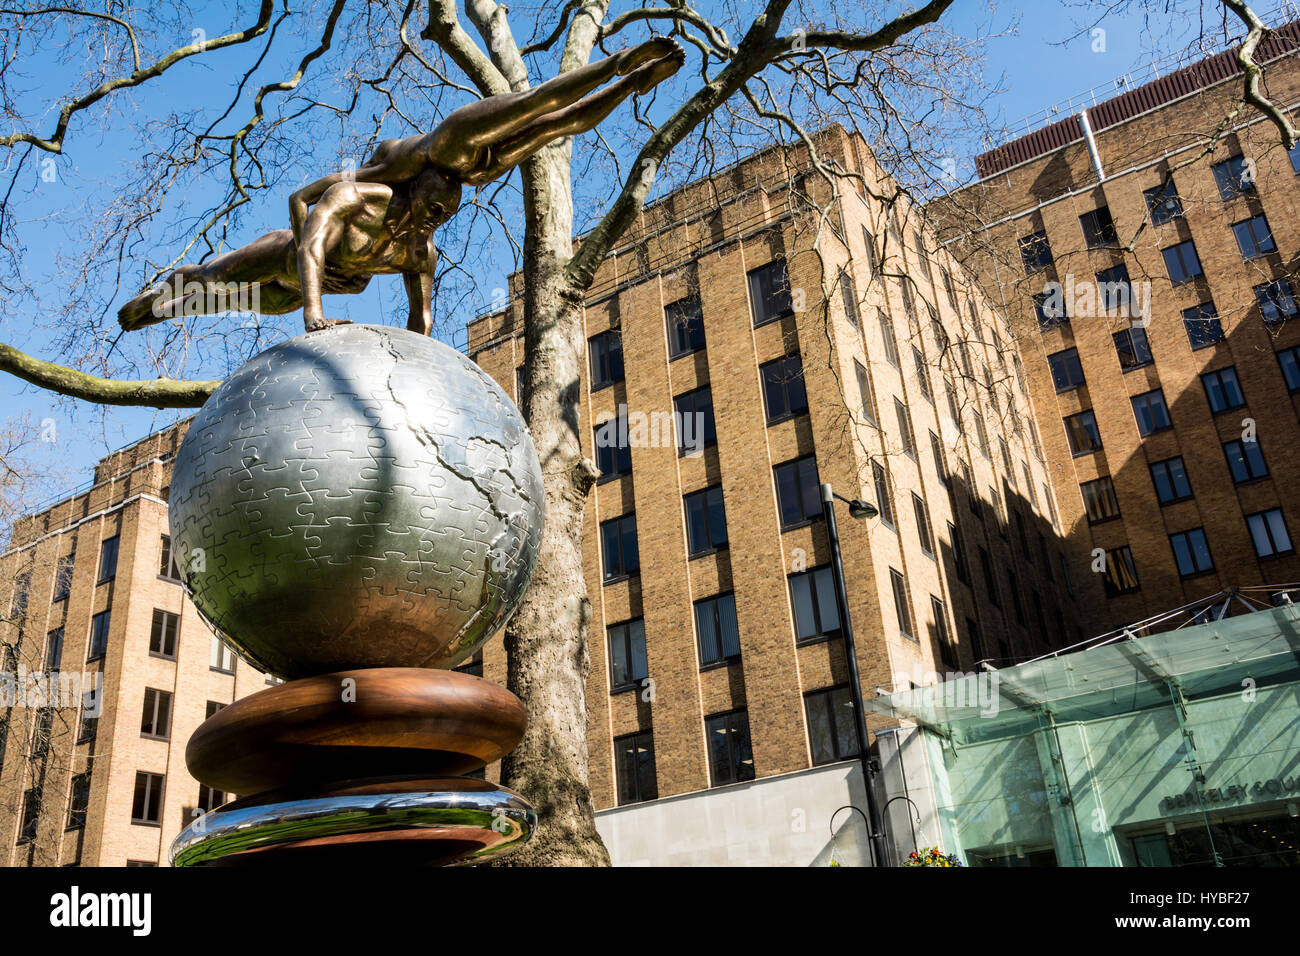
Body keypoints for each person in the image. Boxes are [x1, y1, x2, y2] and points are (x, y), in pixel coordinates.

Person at [118, 38, 684, 335]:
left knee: (243, 303)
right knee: (214, 279)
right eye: (431, 207)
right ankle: (158, 298)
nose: (433, 219)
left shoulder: (430, 231)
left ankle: (632, 77)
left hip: (322, 280)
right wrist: (313, 301)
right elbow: (304, 210)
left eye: (442, 215)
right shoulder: (382, 183)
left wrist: (420, 362)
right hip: (302, 252)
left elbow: (423, 317)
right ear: (416, 191)